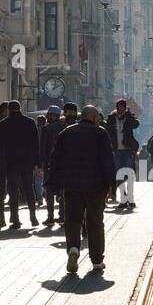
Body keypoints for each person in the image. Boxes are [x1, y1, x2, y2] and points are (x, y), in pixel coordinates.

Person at [48, 105, 117, 274]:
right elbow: (107, 160)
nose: (100, 120)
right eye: (98, 118)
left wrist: (55, 184)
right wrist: (111, 185)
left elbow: (55, 159)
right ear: (93, 118)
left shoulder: (66, 132)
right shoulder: (100, 133)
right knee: (95, 222)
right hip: (95, 186)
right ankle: (97, 261)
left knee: (73, 220)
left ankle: (73, 249)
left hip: (72, 185)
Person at [0, 100, 40, 228]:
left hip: (11, 163)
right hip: (27, 162)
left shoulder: (4, 124)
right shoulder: (30, 122)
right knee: (29, 189)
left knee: (13, 191)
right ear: (20, 108)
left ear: (9, 110)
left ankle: (16, 220)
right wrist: (38, 162)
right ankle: (33, 216)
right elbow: (36, 144)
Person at [105, 98, 140, 210]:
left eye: (122, 107)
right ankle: (123, 198)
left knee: (129, 175)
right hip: (116, 151)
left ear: (125, 108)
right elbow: (107, 131)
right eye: (118, 107)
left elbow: (136, 124)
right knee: (119, 176)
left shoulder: (129, 118)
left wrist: (128, 114)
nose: (120, 109)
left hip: (128, 150)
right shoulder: (111, 118)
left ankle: (131, 198)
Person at [38, 106, 66, 224]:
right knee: (62, 191)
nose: (47, 116)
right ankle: (62, 216)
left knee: (49, 191)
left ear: (53, 115)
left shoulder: (46, 129)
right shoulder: (65, 127)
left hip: (49, 164)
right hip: (63, 164)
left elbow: (42, 148)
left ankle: (50, 217)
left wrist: (40, 163)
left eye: (49, 114)